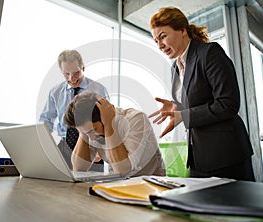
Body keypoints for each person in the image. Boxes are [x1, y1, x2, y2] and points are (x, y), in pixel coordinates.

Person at [148, 7, 255, 181]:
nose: (160, 45)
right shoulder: (176, 66)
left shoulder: (209, 53)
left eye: (163, 36)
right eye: (155, 40)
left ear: (182, 31)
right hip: (198, 157)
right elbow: (195, 104)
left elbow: (228, 104)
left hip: (225, 155)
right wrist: (177, 107)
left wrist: (183, 115)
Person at [63, 92, 166, 177]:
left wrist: (109, 125)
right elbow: (78, 168)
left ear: (103, 117)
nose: (91, 138)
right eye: (85, 133)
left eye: (92, 131)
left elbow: (122, 170)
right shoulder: (90, 131)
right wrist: (83, 132)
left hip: (151, 186)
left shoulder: (136, 119)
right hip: (117, 185)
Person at [39, 49, 109, 169]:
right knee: (60, 185)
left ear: (83, 68)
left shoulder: (98, 90)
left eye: (76, 72)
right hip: (64, 146)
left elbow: (107, 121)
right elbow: (46, 121)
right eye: (67, 74)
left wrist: (101, 147)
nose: (72, 78)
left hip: (91, 144)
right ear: (62, 72)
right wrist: (44, 145)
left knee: (89, 184)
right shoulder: (55, 92)